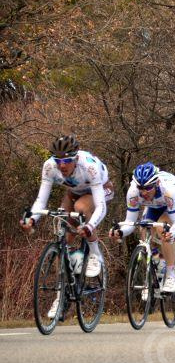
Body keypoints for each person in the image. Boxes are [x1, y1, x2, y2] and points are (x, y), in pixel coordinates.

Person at [21, 135, 114, 319]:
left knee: (81, 208)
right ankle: (61, 295)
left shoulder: (89, 166)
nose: (62, 166)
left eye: (66, 161)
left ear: (76, 158)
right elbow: (41, 199)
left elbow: (101, 206)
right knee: (65, 230)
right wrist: (32, 218)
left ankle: (95, 254)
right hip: (74, 191)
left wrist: (89, 226)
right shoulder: (49, 167)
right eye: (58, 161)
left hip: (101, 190)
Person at [110, 163, 175, 294]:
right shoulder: (133, 192)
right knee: (143, 228)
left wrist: (171, 233)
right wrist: (120, 232)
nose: (143, 192)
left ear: (156, 183)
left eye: (148, 188)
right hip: (153, 205)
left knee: (163, 229)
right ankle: (156, 260)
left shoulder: (168, 190)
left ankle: (170, 274)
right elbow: (130, 222)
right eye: (141, 188)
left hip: (174, 202)